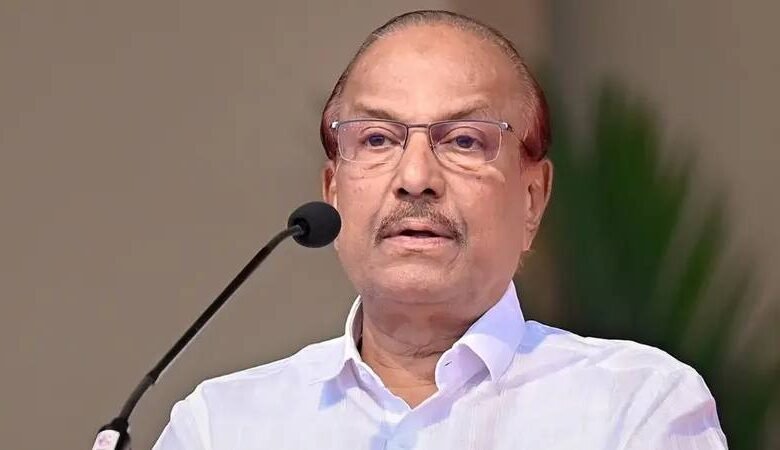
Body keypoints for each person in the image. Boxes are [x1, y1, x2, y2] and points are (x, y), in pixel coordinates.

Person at [153, 10, 726, 449]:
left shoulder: (635, 406)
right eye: (377, 139)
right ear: (333, 191)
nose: (416, 178)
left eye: (465, 141)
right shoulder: (221, 426)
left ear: (532, 199)